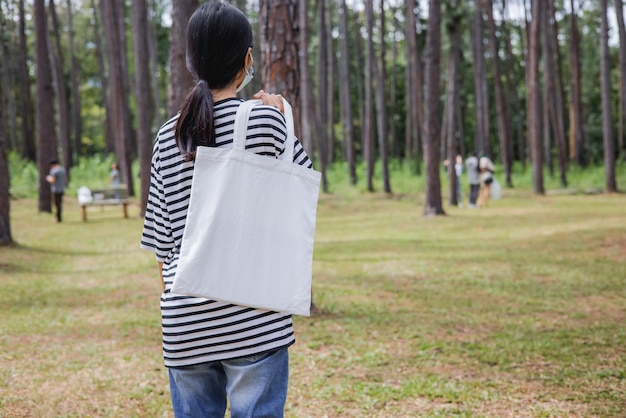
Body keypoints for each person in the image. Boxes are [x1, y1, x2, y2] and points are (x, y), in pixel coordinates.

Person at [140, 2, 312, 416]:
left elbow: (163, 245)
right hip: (254, 318)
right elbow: (299, 195)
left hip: (185, 323)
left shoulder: (168, 136)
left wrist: (189, 311)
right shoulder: (264, 121)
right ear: (247, 59)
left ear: (191, 60)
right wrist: (284, 122)